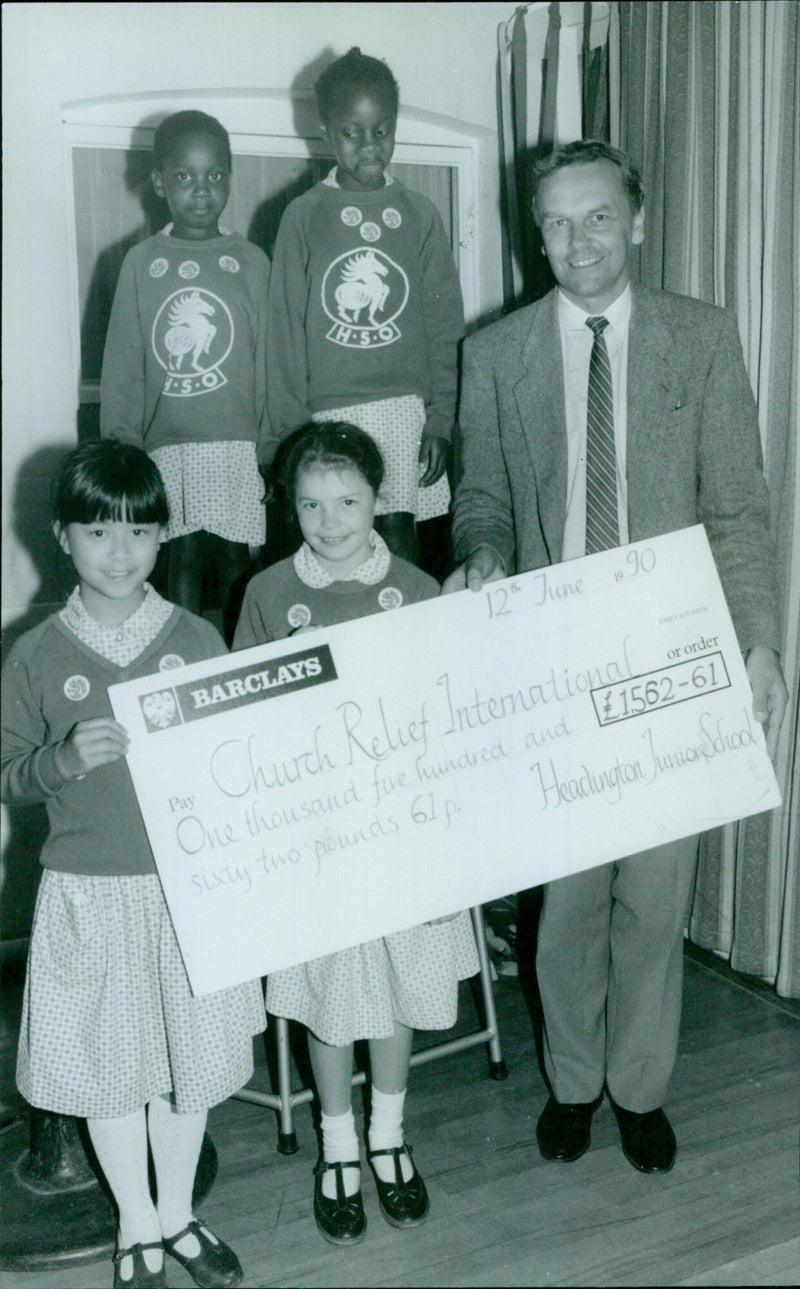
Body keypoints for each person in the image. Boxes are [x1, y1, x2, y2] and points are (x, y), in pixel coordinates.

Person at [445, 140, 788, 1174]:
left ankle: (637, 1086)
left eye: (596, 217)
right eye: (554, 222)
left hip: (669, 658)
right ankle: (572, 1080)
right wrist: (483, 550)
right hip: (552, 666)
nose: (576, 241)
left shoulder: (699, 336)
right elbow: (480, 498)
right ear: (533, 231)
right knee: (565, 897)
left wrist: (759, 644)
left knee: (653, 889)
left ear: (634, 221)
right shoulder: (495, 352)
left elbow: (735, 505)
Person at [1, 442, 265, 1289]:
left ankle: (180, 1214)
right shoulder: (36, 654)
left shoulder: (193, 636)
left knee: (186, 1067)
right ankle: (137, 1226)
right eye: (99, 531)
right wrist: (61, 761)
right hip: (89, 893)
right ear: (61, 537)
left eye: (141, 532)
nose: (122, 552)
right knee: (113, 1070)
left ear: (163, 538)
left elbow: (242, 757)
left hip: (187, 891)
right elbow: (4, 772)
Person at [234, 422, 478, 1245]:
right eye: (310, 503)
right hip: (316, 836)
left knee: (398, 984)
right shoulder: (268, 592)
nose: (330, 520)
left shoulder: (414, 586)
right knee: (333, 996)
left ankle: (388, 1134)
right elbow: (238, 724)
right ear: (288, 505)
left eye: (347, 501)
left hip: (397, 831)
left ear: (380, 500)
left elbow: (446, 707)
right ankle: (337, 1142)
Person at [265, 47, 464, 567]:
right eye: (352, 132)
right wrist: (288, 437)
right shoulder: (303, 216)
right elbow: (283, 331)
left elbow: (446, 327)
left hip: (403, 412)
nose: (369, 145)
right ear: (326, 132)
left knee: (399, 541)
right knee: (337, 545)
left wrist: (441, 420)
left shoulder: (420, 216)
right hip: (325, 417)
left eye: (382, 130)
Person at [100, 109, 270, 643]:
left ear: (230, 176)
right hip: (168, 452)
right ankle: (180, 669)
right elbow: (124, 365)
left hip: (238, 449)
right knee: (182, 567)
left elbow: (271, 359)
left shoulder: (249, 261)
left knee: (237, 567)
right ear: (157, 183)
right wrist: (123, 448)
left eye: (215, 175)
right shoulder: (140, 262)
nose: (201, 190)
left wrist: (273, 446)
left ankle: (241, 669)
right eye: (184, 176)